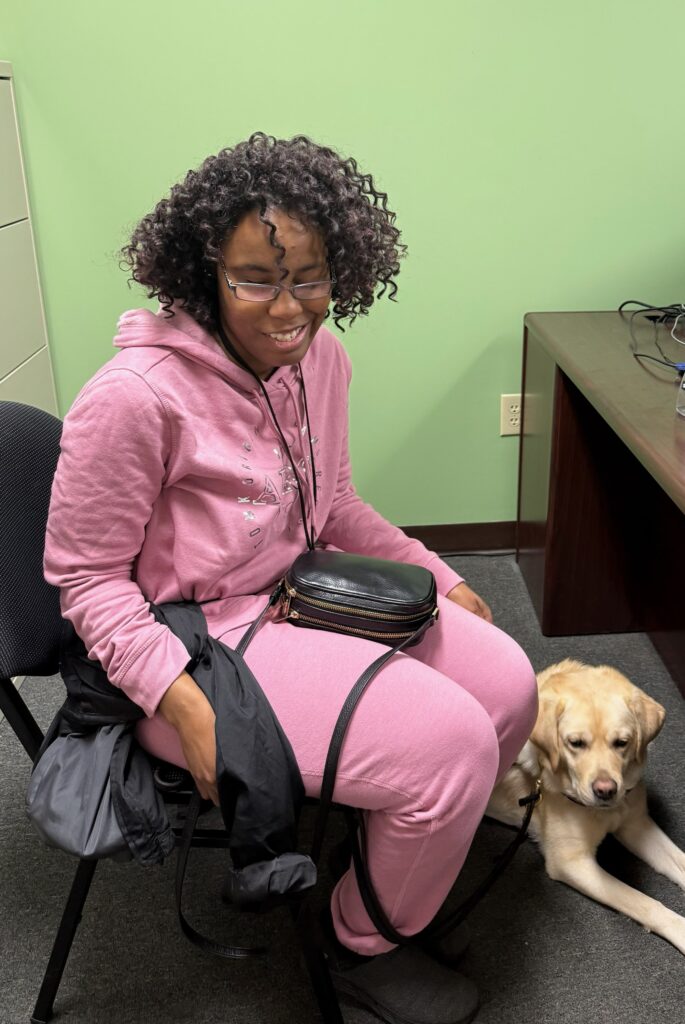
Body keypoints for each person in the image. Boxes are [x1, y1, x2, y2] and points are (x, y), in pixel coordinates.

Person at [44, 133, 538, 1024]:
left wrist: (436, 574)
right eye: (255, 278)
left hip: (295, 596)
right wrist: (181, 703)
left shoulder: (319, 363)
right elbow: (86, 583)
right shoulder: (133, 397)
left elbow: (334, 504)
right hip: (191, 650)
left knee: (505, 684)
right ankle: (360, 949)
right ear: (203, 272)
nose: (288, 309)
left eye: (309, 277)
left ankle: (387, 868)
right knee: (453, 746)